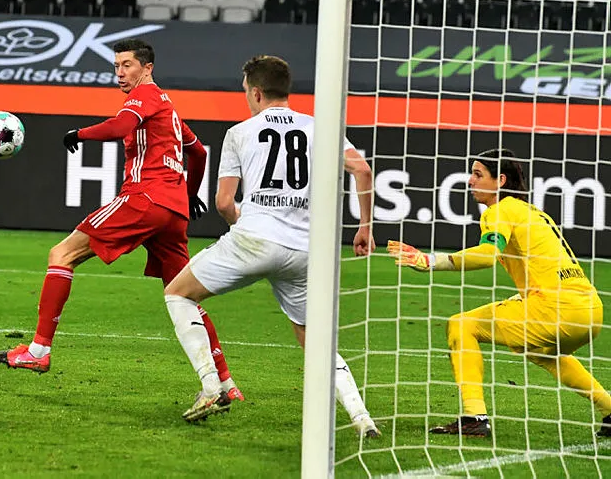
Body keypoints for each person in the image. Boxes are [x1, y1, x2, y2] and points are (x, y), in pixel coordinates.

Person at [0, 38, 240, 401]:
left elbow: (120, 127)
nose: (120, 73)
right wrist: (187, 196)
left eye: (127, 65)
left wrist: (79, 134)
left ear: (147, 68)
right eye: (116, 66)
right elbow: (199, 152)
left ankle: (38, 352)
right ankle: (226, 382)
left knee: (61, 255)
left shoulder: (145, 96)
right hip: (172, 212)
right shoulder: (169, 109)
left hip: (144, 198)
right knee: (184, 294)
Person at [163, 55, 378, 432]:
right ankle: (360, 417)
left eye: (246, 90)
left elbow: (225, 202)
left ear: (257, 91)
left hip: (255, 239)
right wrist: (365, 227)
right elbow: (362, 169)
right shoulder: (320, 127)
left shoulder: (240, 132)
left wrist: (245, 230)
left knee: (178, 293)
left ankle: (212, 385)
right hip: (304, 251)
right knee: (314, 339)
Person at [389, 148, 611, 438]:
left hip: (557, 309)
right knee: (540, 352)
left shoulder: (499, 210)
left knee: (461, 324)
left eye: (478, 174)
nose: (470, 180)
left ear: (500, 180)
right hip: (589, 310)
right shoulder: (533, 212)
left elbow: (488, 254)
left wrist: (432, 261)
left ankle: (474, 417)